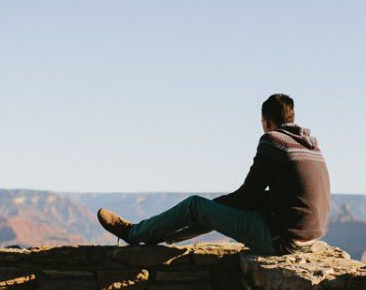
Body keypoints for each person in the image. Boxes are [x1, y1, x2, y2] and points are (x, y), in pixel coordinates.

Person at [97, 93, 331, 256]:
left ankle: (134, 232)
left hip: (281, 241)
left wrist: (208, 210)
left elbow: (246, 196)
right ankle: (171, 235)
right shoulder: (311, 146)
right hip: (308, 240)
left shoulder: (273, 141)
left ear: (266, 121)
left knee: (195, 206)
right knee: (245, 203)